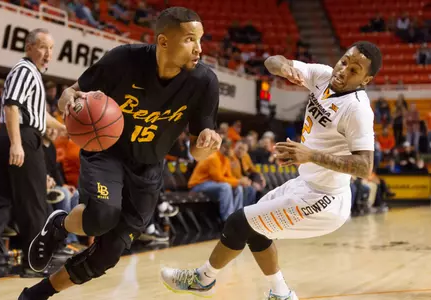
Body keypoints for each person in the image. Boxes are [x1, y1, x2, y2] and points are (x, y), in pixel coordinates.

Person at [19, 7, 222, 300]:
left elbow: (196, 151)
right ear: (164, 42)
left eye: (201, 40)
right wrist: (68, 100)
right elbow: (72, 93)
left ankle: (35, 294)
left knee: (108, 255)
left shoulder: (204, 82)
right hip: (107, 153)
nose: (199, 49)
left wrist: (205, 147)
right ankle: (61, 225)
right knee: (101, 216)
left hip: (149, 168)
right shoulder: (123, 59)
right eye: (190, 40)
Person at [161, 41, 382, 300]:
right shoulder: (323, 75)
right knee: (256, 230)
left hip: (325, 199)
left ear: (366, 79)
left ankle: (203, 278)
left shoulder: (357, 110)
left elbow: (365, 167)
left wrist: (310, 155)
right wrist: (286, 67)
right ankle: (281, 293)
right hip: (304, 184)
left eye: (354, 70)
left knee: (239, 222)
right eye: (344, 61)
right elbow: (272, 61)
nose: (344, 70)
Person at [0, 28, 65, 277]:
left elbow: (38, 114)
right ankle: (34, 263)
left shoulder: (32, 74)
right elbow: (11, 106)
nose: (48, 53)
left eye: (51, 48)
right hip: (21, 138)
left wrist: (64, 128)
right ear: (29, 47)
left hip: (17, 135)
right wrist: (17, 144)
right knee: (35, 202)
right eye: (42, 47)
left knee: (0, 205)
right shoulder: (24, 70)